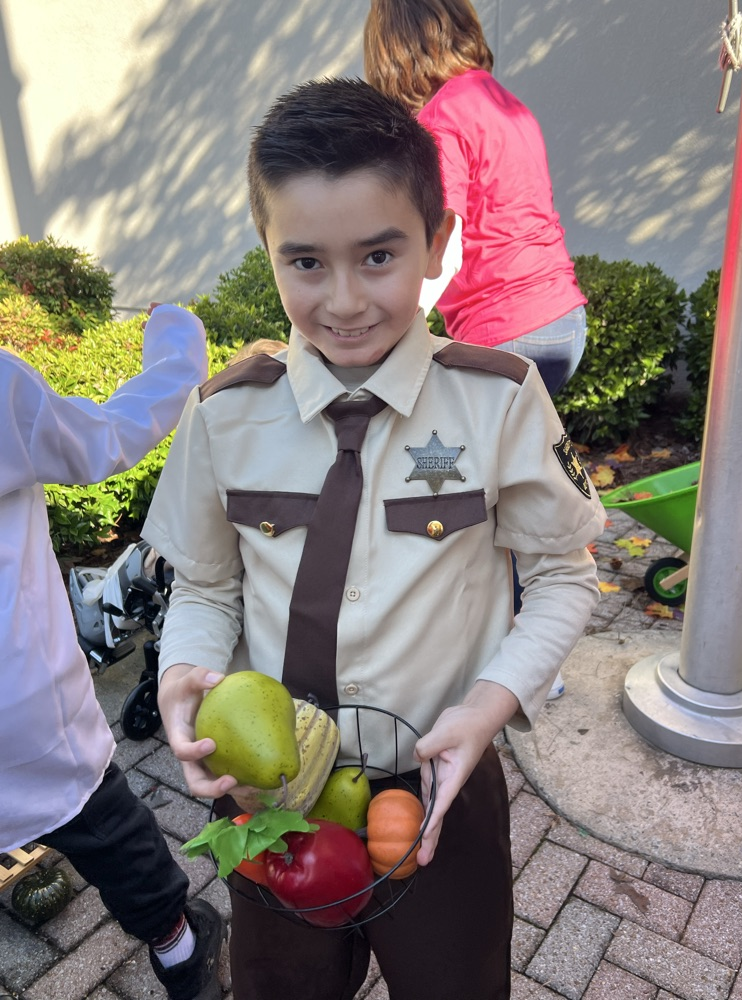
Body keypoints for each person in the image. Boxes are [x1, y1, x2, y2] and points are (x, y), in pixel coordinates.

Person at [142, 78, 605, 1000]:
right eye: (305, 261)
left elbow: (562, 574)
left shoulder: (499, 399)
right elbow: (203, 587)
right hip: (275, 801)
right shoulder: (224, 417)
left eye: (380, 255)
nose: (344, 299)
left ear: (437, 244)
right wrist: (181, 674)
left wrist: (488, 709)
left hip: (440, 785)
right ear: (268, 251)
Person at [0, 304, 225, 1000]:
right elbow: (108, 438)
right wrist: (178, 345)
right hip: (22, 707)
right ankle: (179, 950)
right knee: (103, 824)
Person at [364, 0, 588, 398]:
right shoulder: (503, 101)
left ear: (394, 51)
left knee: (450, 453)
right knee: (523, 450)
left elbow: (445, 248)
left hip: (506, 331)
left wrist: (392, 335)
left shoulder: (442, 117)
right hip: (563, 319)